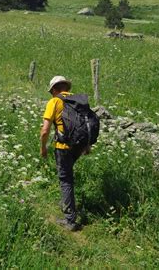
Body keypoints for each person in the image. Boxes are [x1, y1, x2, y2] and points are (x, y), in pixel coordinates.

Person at [40, 76, 89, 232]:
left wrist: (43, 147)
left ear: (54, 89)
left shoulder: (54, 102)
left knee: (65, 179)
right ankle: (66, 203)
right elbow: (86, 124)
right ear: (66, 88)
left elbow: (45, 130)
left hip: (63, 146)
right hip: (78, 145)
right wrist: (86, 146)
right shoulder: (78, 101)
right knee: (68, 175)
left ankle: (70, 220)